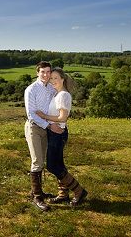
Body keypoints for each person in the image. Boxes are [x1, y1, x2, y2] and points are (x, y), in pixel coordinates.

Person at [36, 67, 88, 207]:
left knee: (53, 165)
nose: (52, 81)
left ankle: (79, 191)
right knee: (59, 164)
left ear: (63, 79)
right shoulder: (57, 94)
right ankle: (63, 194)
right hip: (54, 132)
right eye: (51, 78)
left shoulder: (64, 95)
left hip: (58, 133)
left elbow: (62, 117)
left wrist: (44, 116)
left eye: (56, 78)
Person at [24, 61, 63, 211]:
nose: (46, 75)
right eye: (43, 72)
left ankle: (36, 191)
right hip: (34, 128)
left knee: (43, 160)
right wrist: (50, 125)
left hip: (47, 128)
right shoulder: (31, 90)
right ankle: (37, 198)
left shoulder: (51, 89)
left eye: (48, 72)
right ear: (37, 73)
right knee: (37, 161)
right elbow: (31, 114)